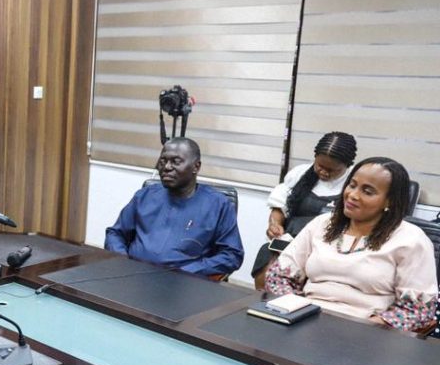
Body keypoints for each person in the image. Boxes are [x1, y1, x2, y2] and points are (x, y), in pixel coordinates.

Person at [265, 157, 438, 331]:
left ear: (390, 201)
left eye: (367, 192)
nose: (353, 195)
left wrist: (371, 326)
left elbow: (417, 309)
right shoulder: (322, 224)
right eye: (352, 185)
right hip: (305, 319)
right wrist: (294, 309)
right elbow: (279, 276)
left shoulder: (411, 239)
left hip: (365, 330)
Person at [104, 137, 244, 277]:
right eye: (163, 161)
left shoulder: (218, 205)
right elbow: (115, 233)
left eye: (176, 162)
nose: (167, 167)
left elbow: (232, 255)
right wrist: (122, 261)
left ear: (196, 167)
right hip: (133, 276)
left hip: (183, 282)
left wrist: (189, 272)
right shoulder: (145, 195)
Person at [252, 132, 357, 287]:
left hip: (327, 246)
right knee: (267, 261)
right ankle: (263, 298)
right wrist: (275, 224)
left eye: (332, 170)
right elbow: (279, 205)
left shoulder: (354, 183)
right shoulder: (300, 173)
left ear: (347, 165)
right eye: (320, 166)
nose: (324, 172)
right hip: (290, 240)